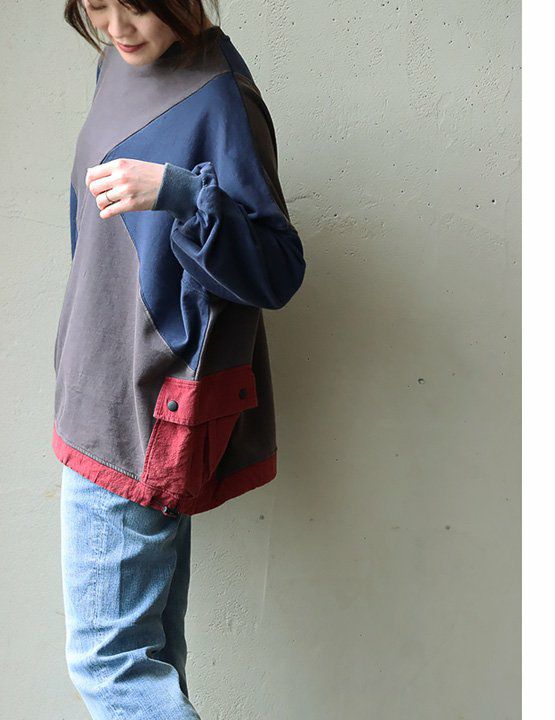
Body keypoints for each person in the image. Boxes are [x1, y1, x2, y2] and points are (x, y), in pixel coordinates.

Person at [56, 1, 306, 716]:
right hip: (98, 387)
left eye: (133, 5)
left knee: (110, 665)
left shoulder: (219, 96)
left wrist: (180, 193)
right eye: (95, 6)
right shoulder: (117, 67)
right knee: (151, 656)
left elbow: (278, 270)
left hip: (141, 407)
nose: (115, 27)